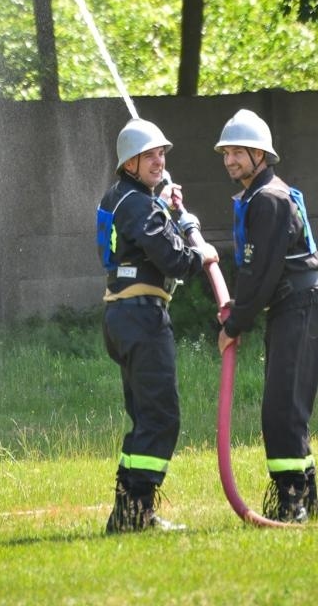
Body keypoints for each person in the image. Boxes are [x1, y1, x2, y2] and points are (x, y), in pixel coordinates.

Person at [97, 116, 219, 533]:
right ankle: (139, 509)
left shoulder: (122, 198)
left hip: (123, 316)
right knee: (162, 417)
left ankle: (129, 512)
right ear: (128, 164)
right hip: (142, 317)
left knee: (145, 417)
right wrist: (198, 248)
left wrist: (166, 205)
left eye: (161, 153)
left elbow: (146, 232)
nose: (158, 160)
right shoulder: (138, 204)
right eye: (148, 155)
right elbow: (173, 259)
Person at [215, 108, 318, 523]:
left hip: (300, 308)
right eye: (226, 154)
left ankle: (292, 504)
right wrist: (239, 311)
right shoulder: (258, 197)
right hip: (292, 310)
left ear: (259, 154)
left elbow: (263, 274)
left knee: (282, 411)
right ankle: (307, 499)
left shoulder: (269, 199)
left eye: (237, 153)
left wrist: (235, 324)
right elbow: (256, 270)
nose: (230, 161)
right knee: (287, 409)